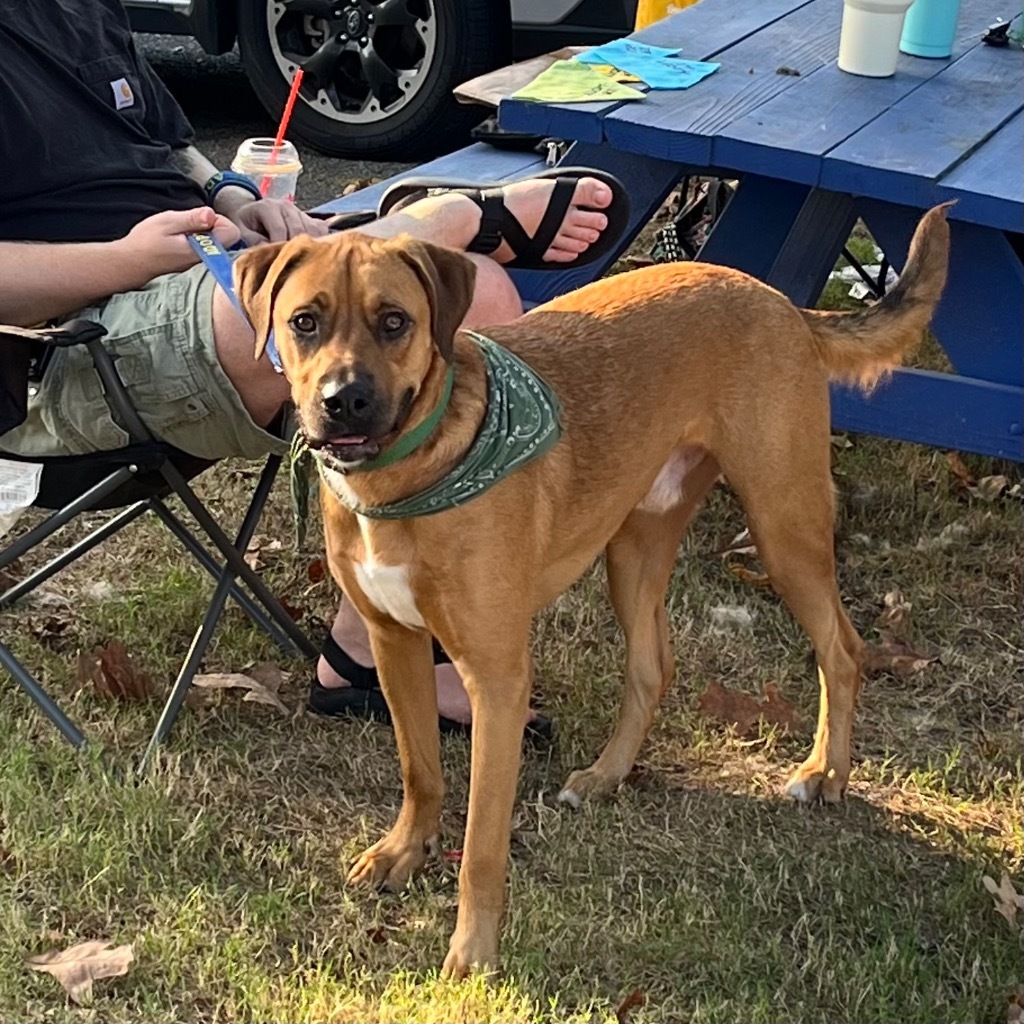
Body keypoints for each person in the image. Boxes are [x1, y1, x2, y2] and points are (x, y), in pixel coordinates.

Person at [0, 0, 623, 736]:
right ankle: (429, 224)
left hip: (199, 263)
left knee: (463, 295)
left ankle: (369, 649)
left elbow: (167, 146)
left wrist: (234, 195)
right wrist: (124, 259)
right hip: (66, 347)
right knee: (423, 294)